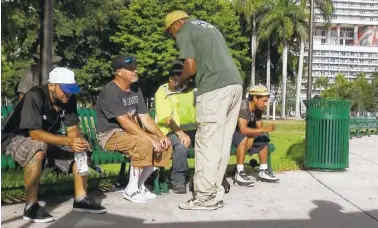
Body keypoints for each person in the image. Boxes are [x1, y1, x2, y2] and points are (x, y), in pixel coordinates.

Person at [1, 67, 107, 223]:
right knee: (37, 148)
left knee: (80, 145)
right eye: (64, 89)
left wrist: (77, 141)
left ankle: (81, 198)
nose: (68, 93)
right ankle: (31, 207)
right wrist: (67, 141)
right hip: (16, 137)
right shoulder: (35, 95)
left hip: (44, 138)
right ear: (51, 86)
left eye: (71, 90)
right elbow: (34, 134)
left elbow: (72, 130)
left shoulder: (68, 99)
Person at [164, 10, 243, 210]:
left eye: (170, 34)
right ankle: (215, 193)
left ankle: (204, 197)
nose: (173, 38)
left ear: (175, 25)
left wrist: (178, 83)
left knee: (207, 142)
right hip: (234, 85)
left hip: (214, 89)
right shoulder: (209, 27)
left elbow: (190, 67)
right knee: (222, 143)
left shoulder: (184, 30)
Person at [95, 55, 172, 203]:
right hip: (110, 135)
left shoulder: (136, 91)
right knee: (143, 144)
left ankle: (139, 185)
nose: (135, 71)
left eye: (135, 68)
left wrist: (160, 135)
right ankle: (130, 190)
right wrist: (149, 138)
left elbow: (145, 118)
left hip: (130, 133)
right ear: (119, 72)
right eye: (130, 69)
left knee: (165, 145)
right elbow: (125, 122)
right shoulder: (110, 91)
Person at [154, 60, 197, 194]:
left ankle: (202, 178)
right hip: (170, 130)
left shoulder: (193, 90)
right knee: (181, 146)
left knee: (210, 142)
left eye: (184, 76)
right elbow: (167, 119)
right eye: (177, 75)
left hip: (193, 129)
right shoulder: (163, 91)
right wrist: (181, 133)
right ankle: (177, 180)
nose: (181, 79)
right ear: (172, 77)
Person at [232, 85, 279, 186]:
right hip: (231, 133)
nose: (265, 104)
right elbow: (243, 129)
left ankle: (263, 170)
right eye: (264, 101)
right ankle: (239, 172)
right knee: (243, 137)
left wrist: (252, 137)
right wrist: (265, 129)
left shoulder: (258, 109)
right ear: (255, 98)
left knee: (262, 138)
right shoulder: (243, 107)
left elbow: (259, 128)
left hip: (245, 134)